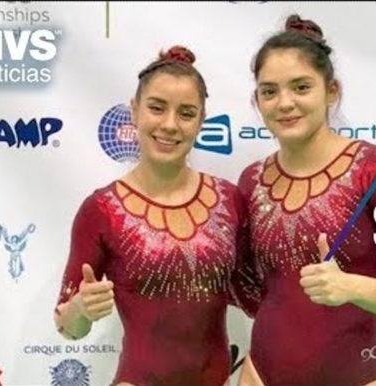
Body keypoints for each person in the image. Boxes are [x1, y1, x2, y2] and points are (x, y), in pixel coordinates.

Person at [235, 14, 376, 386]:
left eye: (301, 87)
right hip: (263, 374)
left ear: (331, 90)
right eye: (270, 91)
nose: (285, 103)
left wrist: (351, 287)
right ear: (257, 100)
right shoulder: (251, 182)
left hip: (360, 375)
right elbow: (253, 294)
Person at [53, 45, 260, 386]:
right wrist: (81, 308)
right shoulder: (101, 211)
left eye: (186, 113)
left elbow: (258, 298)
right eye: (156, 108)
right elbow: (67, 327)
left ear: (201, 122)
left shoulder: (229, 200)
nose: (169, 125)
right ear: (134, 111)